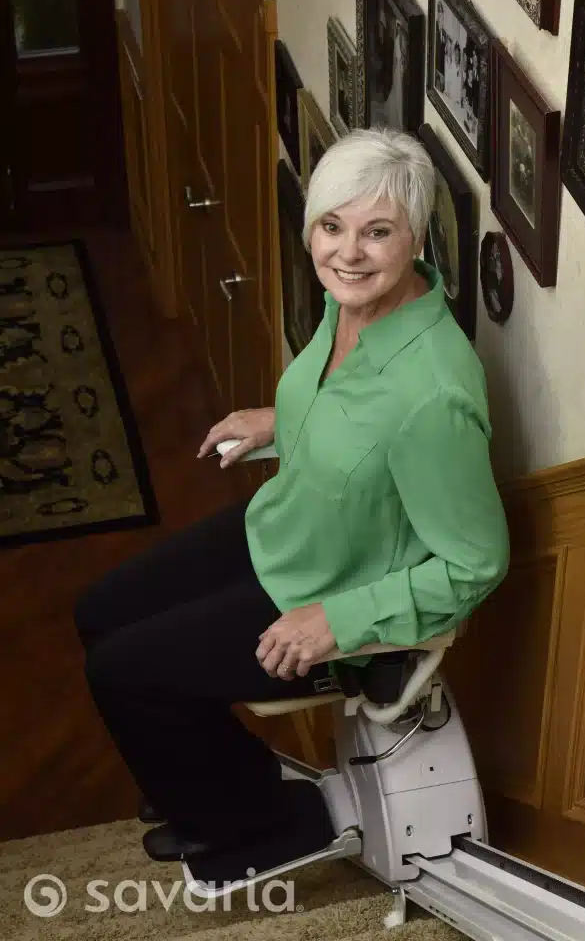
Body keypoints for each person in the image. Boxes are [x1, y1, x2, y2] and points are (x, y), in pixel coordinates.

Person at [73, 128, 509, 888]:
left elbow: (476, 563)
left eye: (378, 232)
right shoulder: (355, 309)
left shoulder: (434, 394)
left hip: (336, 586)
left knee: (123, 673)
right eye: (332, 226)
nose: (347, 252)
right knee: (98, 611)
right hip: (287, 529)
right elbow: (356, 419)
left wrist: (334, 622)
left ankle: (260, 821)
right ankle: (212, 782)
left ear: (415, 239)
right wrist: (277, 420)